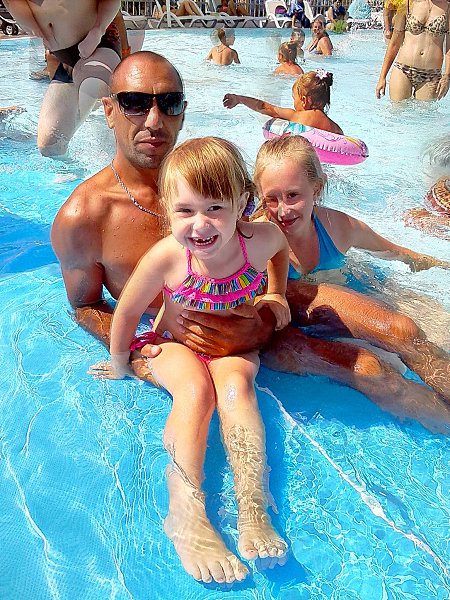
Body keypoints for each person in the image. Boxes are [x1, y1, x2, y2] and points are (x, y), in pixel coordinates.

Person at [52, 51, 450, 482]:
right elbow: (85, 305)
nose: (153, 119)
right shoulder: (84, 217)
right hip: (213, 336)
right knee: (370, 370)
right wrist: (139, 355)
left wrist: (273, 297)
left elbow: (265, 225)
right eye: (134, 102)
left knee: (401, 330)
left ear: (183, 111)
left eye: (168, 103)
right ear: (108, 110)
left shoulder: (207, 172)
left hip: (267, 296)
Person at [90, 136, 290, 582]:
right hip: (174, 343)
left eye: (215, 208)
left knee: (237, 388)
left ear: (241, 203)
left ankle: (253, 507)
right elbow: (127, 311)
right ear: (167, 208)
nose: (200, 225)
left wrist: (276, 292)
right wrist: (121, 361)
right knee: (195, 393)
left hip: (232, 348)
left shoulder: (258, 240)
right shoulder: (168, 257)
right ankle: (185, 509)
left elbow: (280, 250)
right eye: (185, 210)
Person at [251, 134, 450, 430]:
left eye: (293, 195)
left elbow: (394, 251)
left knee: (406, 333)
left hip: (333, 299)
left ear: (316, 189)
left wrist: (438, 264)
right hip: (284, 325)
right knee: (372, 369)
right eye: (272, 198)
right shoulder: (254, 239)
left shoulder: (337, 227)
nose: (283, 210)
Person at [4, 0, 123, 157]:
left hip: (98, 43)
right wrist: (34, 26)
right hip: (66, 59)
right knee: (50, 147)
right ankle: (79, 170)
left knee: (95, 86)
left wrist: (98, 30)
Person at [223, 70, 343, 134]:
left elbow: (263, 107)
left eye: (294, 98)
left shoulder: (296, 116)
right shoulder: (336, 129)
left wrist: (239, 99)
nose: (294, 103)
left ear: (304, 101)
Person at [376, 0, 450, 101]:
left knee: (424, 111)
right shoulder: (407, 4)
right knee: (397, 110)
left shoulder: (447, 9)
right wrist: (382, 77)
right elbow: (394, 43)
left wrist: (447, 76)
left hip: (431, 75)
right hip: (402, 70)